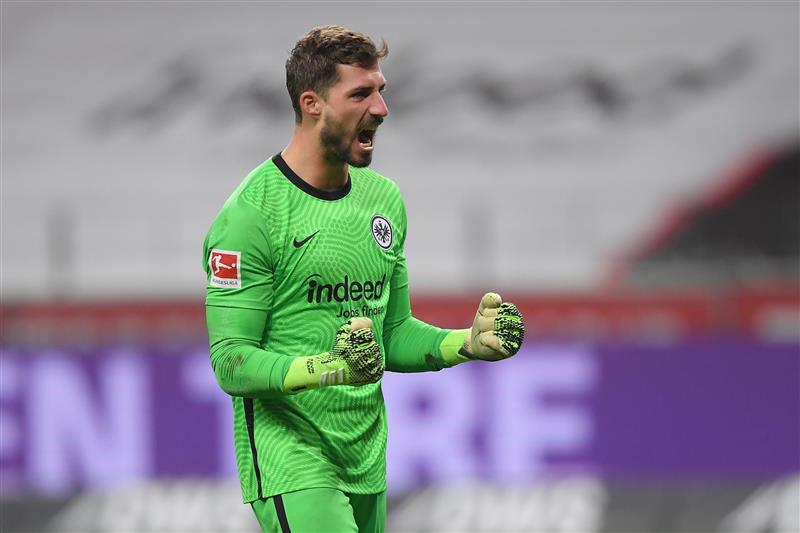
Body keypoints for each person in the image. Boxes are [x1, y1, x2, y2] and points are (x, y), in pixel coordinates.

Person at [203, 25, 524, 533]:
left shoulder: (383, 201)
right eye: (360, 94)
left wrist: (467, 343)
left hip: (366, 454)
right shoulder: (252, 215)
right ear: (312, 104)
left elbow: (392, 334)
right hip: (292, 457)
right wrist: (328, 367)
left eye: (381, 91)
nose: (380, 109)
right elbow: (230, 362)